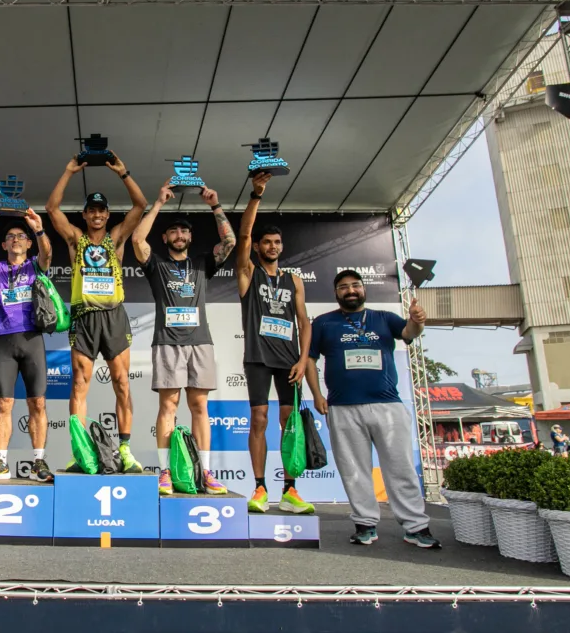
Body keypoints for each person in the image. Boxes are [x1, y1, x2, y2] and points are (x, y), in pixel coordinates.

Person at [305, 270, 441, 549]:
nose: (350, 290)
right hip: (342, 407)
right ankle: (365, 524)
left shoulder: (384, 318)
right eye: (344, 287)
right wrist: (317, 394)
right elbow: (309, 359)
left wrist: (417, 322)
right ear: (336, 293)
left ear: (364, 289)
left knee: (400, 467)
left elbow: (408, 332)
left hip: (387, 405)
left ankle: (416, 526)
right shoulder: (323, 323)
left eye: (355, 285)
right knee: (354, 470)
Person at [131, 183, 235, 495]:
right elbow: (137, 239)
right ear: (165, 238)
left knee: (199, 405)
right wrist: (158, 203)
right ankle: (165, 472)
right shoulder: (157, 265)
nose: (179, 235)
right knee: (169, 405)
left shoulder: (203, 263)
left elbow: (229, 240)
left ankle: (205, 471)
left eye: (184, 232)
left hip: (200, 342)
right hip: (166, 342)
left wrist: (215, 206)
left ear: (190, 237)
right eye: (173, 232)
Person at [46, 152, 147, 473]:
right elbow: (51, 209)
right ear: (86, 214)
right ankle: (80, 450)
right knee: (79, 383)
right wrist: (68, 170)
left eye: (102, 210)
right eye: (92, 210)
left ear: (107, 214)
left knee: (121, 382)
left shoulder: (117, 238)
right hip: (84, 316)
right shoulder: (76, 239)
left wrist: (124, 172)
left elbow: (140, 206)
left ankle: (126, 450)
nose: (97, 215)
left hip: (113, 315)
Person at [236, 173, 314, 514]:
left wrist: (303, 359)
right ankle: (259, 488)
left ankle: (290, 489)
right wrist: (256, 195)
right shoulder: (248, 274)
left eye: (277, 243)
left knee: (289, 422)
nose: (272, 247)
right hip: (257, 358)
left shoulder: (294, 279)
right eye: (266, 242)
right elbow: (242, 234)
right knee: (259, 420)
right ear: (258, 246)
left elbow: (304, 321)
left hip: (289, 361)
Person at [0, 209, 55, 482]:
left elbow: (48, 256)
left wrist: (39, 229)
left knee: (38, 404)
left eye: (21, 236)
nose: (16, 240)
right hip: (4, 341)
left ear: (28, 243)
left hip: (32, 338)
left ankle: (39, 463)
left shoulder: (34, 265)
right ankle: (1, 463)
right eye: (10, 237)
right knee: (3, 404)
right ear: (5, 244)